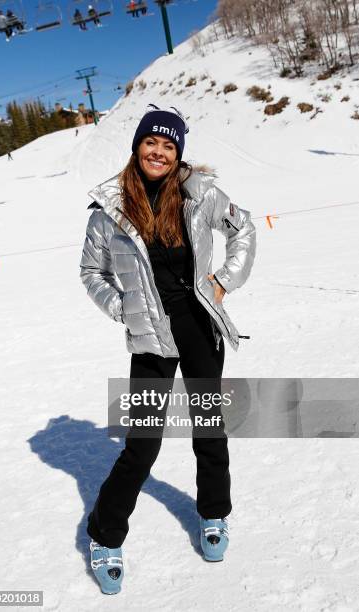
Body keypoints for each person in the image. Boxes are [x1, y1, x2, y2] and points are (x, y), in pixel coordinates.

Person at [79, 104, 256, 595]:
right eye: (151, 143)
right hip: (150, 338)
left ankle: (214, 515)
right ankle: (104, 536)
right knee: (141, 445)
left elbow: (244, 228)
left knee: (209, 429)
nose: (158, 152)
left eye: (168, 145)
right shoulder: (109, 209)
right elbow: (91, 272)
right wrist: (122, 308)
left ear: (178, 155)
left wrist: (223, 280)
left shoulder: (199, 194)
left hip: (200, 329)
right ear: (137, 147)